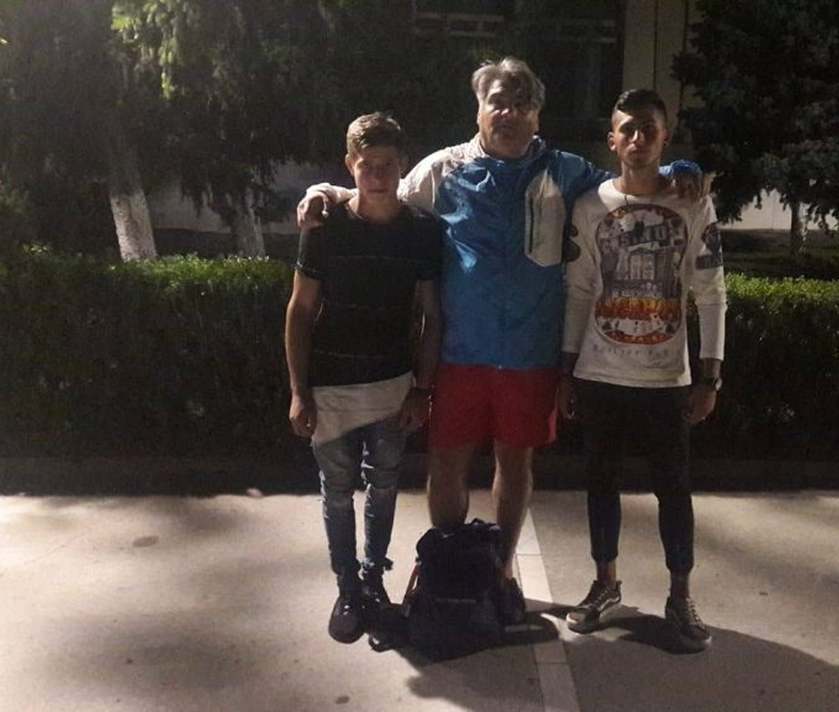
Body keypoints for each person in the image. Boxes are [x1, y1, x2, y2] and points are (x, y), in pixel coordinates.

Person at [297, 58, 697, 625]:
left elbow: (629, 183)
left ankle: (501, 571)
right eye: (497, 102)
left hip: (531, 354)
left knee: (515, 463)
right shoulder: (444, 169)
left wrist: (678, 167)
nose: (508, 113)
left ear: (537, 115)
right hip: (459, 354)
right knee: (447, 462)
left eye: (521, 104)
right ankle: (447, 568)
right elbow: (381, 191)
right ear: (479, 109)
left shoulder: (566, 171)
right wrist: (325, 191)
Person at [557, 89, 727, 652]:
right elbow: (580, 292)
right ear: (612, 140)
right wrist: (567, 370)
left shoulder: (692, 203)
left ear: (664, 139)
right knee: (600, 482)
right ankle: (605, 583)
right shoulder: (590, 205)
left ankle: (680, 596)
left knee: (673, 489)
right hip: (601, 373)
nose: (637, 139)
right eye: (627, 129)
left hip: (665, 378)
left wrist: (710, 375)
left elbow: (711, 294)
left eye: (648, 130)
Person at [285, 112, 444, 643]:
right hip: (329, 385)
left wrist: (423, 389)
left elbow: (433, 315)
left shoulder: (422, 231)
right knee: (337, 493)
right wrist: (298, 391)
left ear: (403, 166)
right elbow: (300, 311)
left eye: (387, 164)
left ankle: (374, 580)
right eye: (367, 164)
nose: (377, 174)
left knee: (385, 484)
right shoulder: (325, 227)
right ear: (350, 165)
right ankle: (347, 588)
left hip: (393, 384)